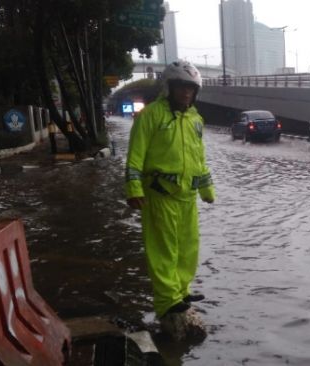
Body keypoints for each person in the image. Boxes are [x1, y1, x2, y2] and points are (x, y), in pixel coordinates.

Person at [124, 60, 215, 331]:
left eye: (191, 89)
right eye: (182, 88)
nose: (186, 94)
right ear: (170, 88)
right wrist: (134, 189)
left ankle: (182, 291)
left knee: (188, 247)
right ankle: (167, 301)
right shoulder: (151, 115)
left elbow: (199, 158)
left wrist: (206, 189)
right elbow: (135, 156)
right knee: (163, 250)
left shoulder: (196, 120)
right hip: (160, 194)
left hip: (186, 196)